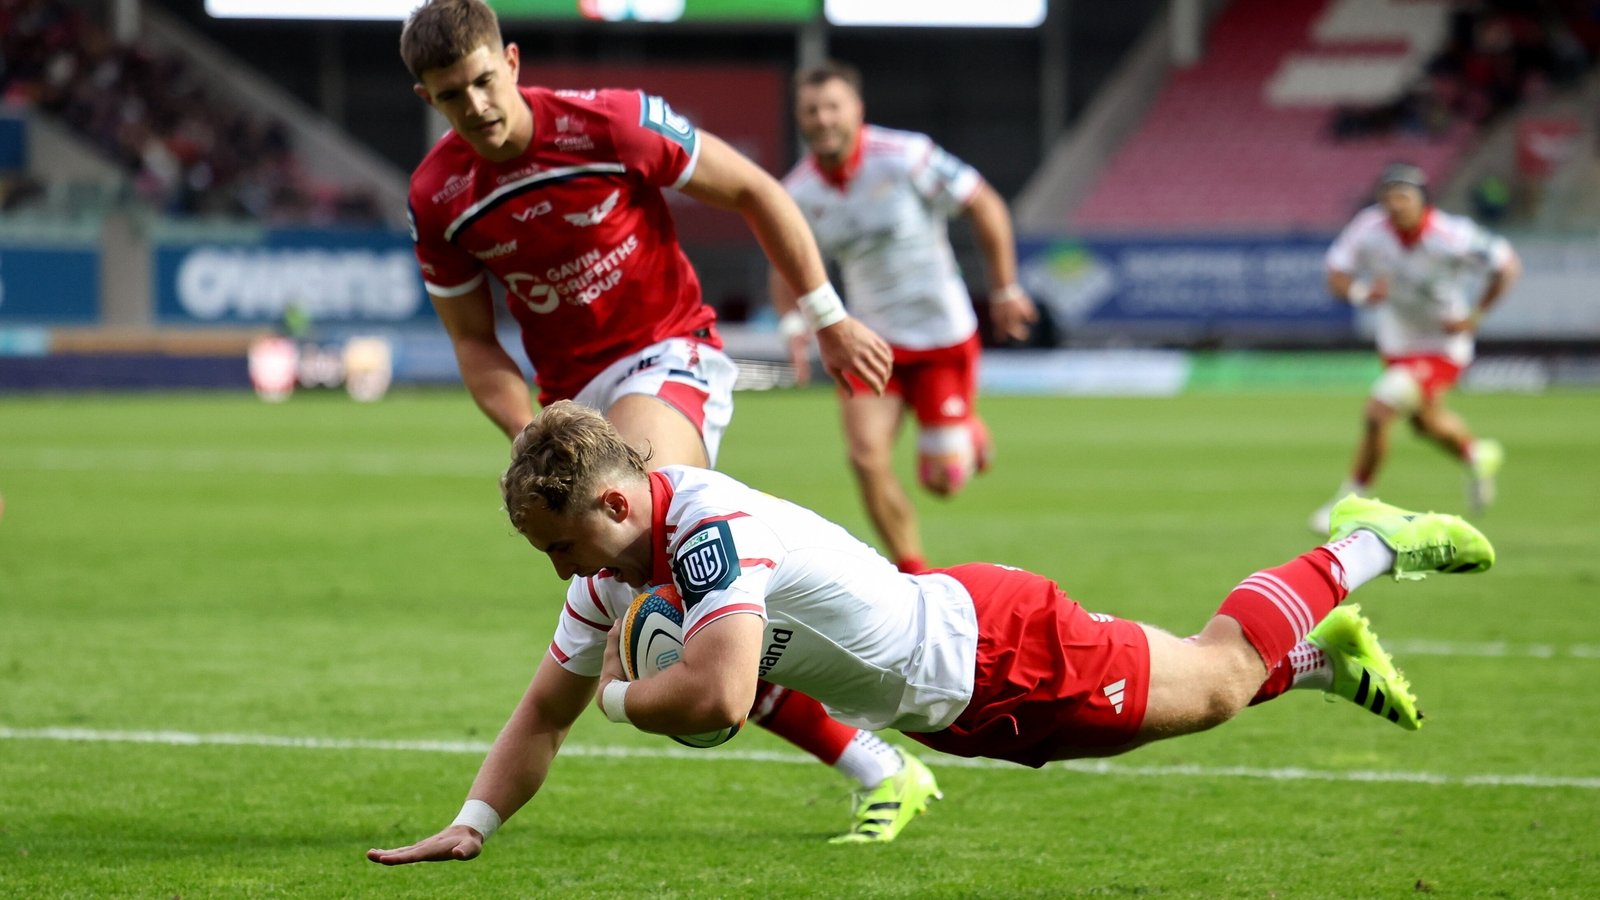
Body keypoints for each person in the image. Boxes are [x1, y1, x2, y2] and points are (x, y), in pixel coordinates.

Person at [366, 401, 1496, 865]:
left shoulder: (705, 530)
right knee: (1195, 700)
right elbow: (540, 711)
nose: (559, 573)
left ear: (613, 506)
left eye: (559, 545)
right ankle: (1325, 657)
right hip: (957, 699)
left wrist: (622, 695)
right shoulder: (616, 581)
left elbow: (711, 701)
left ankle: (1366, 541)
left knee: (1212, 676)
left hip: (997, 653)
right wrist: (470, 825)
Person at [397, 0, 933, 843]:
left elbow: (754, 189)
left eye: (483, 81)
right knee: (667, 609)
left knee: (650, 582)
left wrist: (827, 315)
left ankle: (877, 752)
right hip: (568, 404)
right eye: (450, 95)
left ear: (513, 60)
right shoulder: (439, 197)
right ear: (429, 100)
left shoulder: (609, 121)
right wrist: (529, 433)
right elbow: (475, 344)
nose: (477, 107)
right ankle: (876, 763)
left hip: (667, 356)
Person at [771, 60, 1039, 574]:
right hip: (870, 344)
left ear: (857, 111)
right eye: (811, 110)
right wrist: (793, 326)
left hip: (942, 338)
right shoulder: (797, 192)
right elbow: (785, 264)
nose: (823, 119)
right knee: (865, 458)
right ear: (800, 118)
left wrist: (1004, 288)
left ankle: (968, 434)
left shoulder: (907, 157)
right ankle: (915, 575)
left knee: (942, 484)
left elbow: (985, 205)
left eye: (833, 107)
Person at [1309, 162, 1521, 535]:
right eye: (1388, 196)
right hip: (1398, 340)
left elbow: (1507, 265)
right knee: (1425, 424)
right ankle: (1477, 454)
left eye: (1403, 196)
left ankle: (1351, 503)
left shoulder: (1452, 235)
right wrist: (1360, 292)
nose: (1395, 204)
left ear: (1423, 201)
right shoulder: (1368, 229)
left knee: (1379, 410)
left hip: (1442, 343)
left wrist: (1475, 315)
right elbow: (1336, 273)